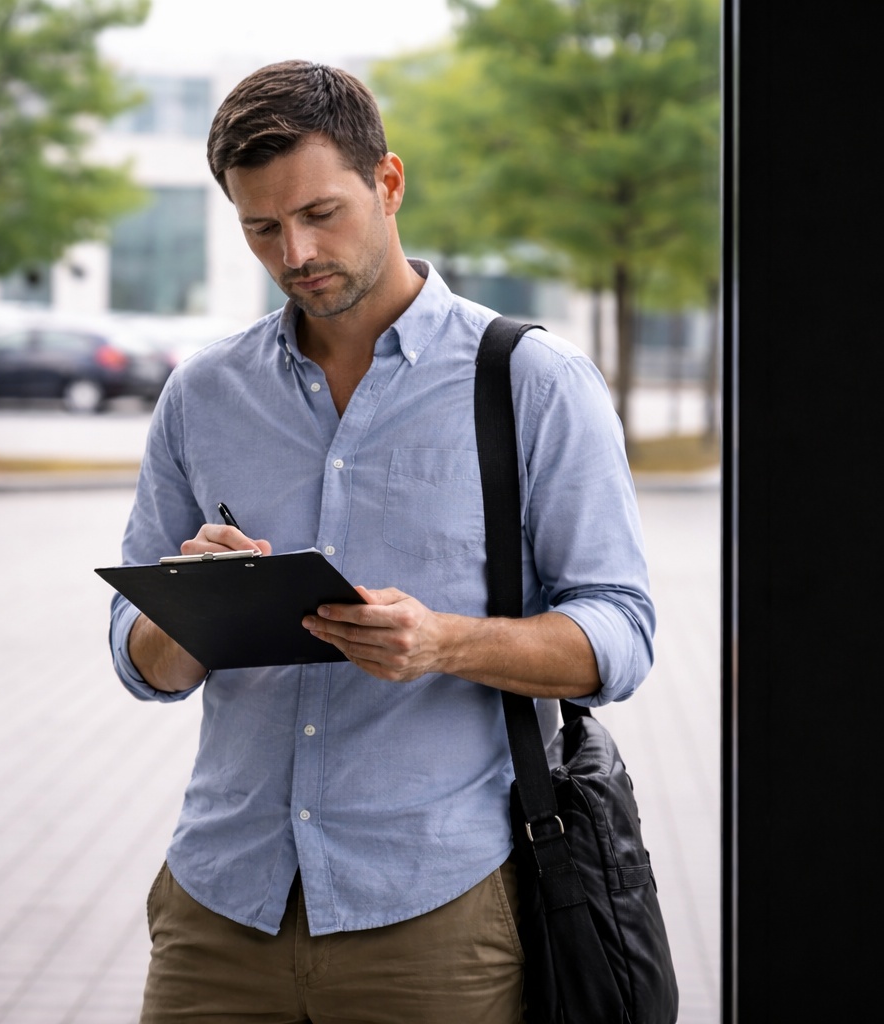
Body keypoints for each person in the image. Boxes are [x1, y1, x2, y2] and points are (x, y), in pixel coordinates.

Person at [107, 59, 654, 1024]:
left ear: (388, 183)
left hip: (433, 912)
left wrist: (447, 642)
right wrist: (192, 611)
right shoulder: (203, 394)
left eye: (322, 213)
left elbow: (619, 637)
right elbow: (140, 660)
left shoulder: (534, 383)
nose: (296, 250)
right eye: (262, 227)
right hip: (219, 905)